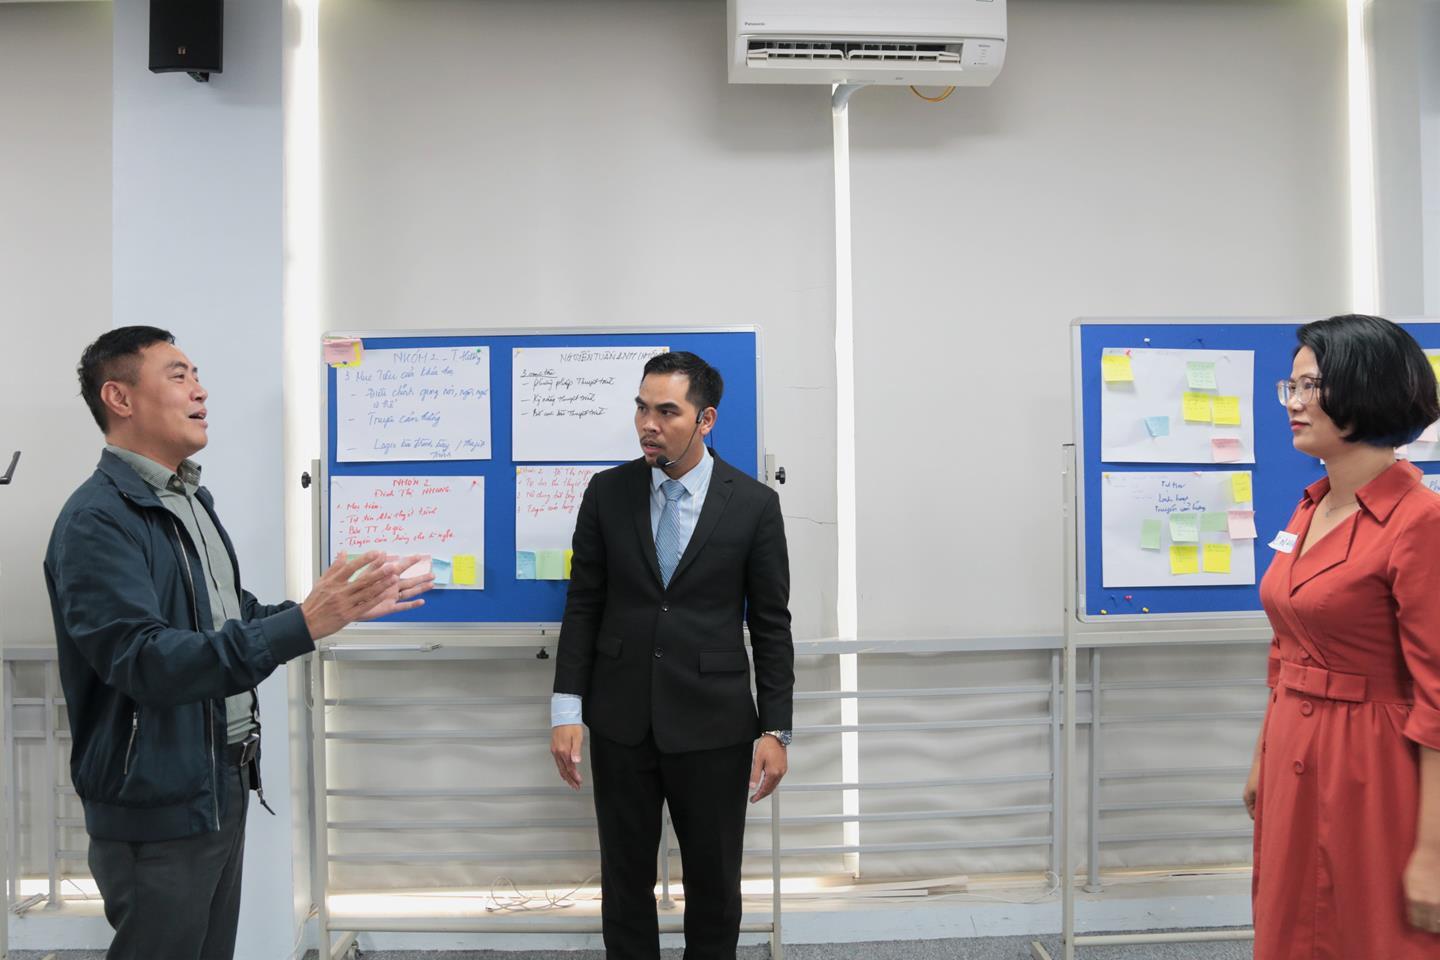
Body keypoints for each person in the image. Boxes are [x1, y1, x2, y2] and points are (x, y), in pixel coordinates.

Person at [44, 326, 433, 960]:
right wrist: (301, 625)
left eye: (197, 375)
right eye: (178, 375)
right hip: (155, 796)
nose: (200, 391)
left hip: (220, 779)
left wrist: (322, 612)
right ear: (119, 397)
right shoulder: (98, 520)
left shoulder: (189, 499)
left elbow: (228, 615)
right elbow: (145, 661)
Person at [549, 351, 794, 960]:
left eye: (666, 411)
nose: (647, 425)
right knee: (624, 880)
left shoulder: (754, 504)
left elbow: (771, 625)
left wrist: (777, 729)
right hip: (621, 720)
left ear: (705, 419)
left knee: (714, 881)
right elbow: (583, 604)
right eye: (641, 408)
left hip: (714, 724)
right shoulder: (607, 493)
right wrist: (565, 709)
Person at [1244, 314, 1440, 957]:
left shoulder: (1421, 521)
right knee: (1291, 928)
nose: (1294, 402)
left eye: (1312, 386)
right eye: (1291, 386)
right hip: (1293, 751)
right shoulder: (1313, 504)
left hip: (1375, 765)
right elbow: (1288, 646)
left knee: (1370, 934)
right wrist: (1262, 756)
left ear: (1367, 388)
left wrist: (1434, 853)